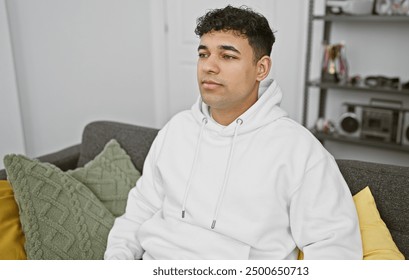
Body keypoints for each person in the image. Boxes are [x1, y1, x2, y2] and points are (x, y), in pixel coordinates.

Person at [104, 5, 362, 260]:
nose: (209, 67)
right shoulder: (177, 130)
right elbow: (139, 212)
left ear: (261, 68)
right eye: (204, 54)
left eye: (227, 56)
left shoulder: (298, 149)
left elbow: (334, 249)